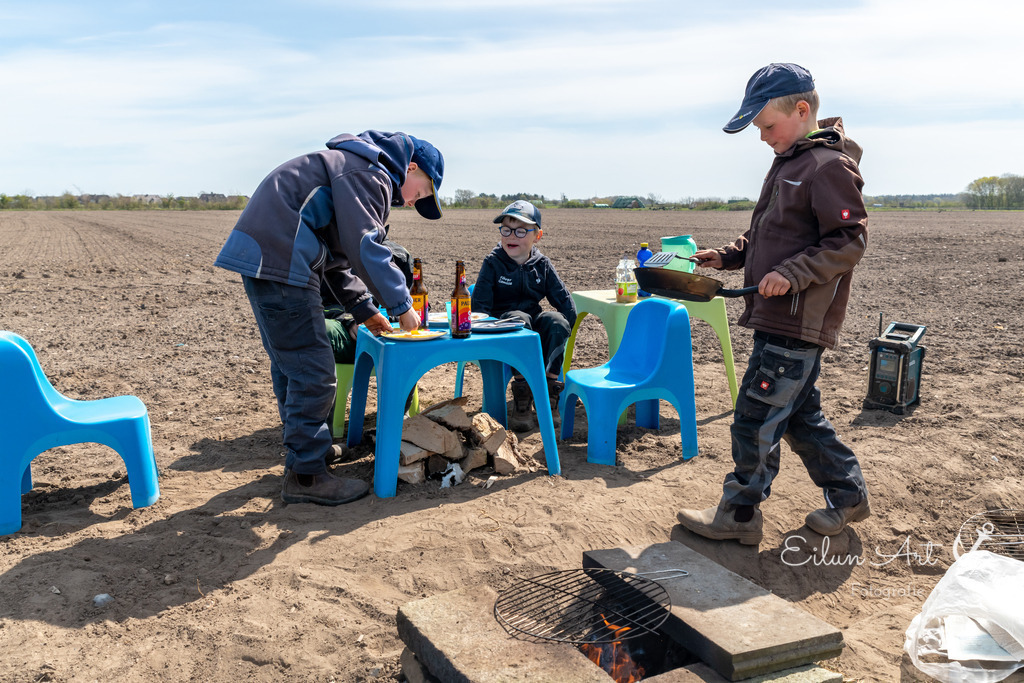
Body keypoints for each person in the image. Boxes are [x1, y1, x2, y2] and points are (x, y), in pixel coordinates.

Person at [677, 63, 870, 545]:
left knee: (754, 418)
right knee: (799, 419)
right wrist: (729, 256)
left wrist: (791, 274)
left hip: (797, 321)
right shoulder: (791, 161)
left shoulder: (827, 167)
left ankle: (740, 514)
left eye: (767, 126)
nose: (762, 137)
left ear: (802, 111)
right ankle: (849, 496)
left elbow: (849, 239)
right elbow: (772, 233)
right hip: (776, 317)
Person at [214, 130, 444, 506]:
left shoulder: (354, 168)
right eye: (419, 193)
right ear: (411, 168)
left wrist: (366, 310)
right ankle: (306, 476)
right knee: (314, 372)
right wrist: (403, 306)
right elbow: (366, 247)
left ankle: (309, 454)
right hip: (283, 258)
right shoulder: (370, 173)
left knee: (293, 367)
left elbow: (338, 262)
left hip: (269, 257)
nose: (410, 201)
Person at [471, 200, 576, 431]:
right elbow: (479, 309)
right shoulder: (493, 263)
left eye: (520, 231)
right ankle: (522, 393)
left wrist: (560, 336)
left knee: (557, 322)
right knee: (519, 318)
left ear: (537, 236)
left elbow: (567, 306)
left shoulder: (542, 265)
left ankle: (549, 389)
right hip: (504, 330)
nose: (512, 236)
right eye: (506, 230)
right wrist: (490, 336)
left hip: (532, 326)